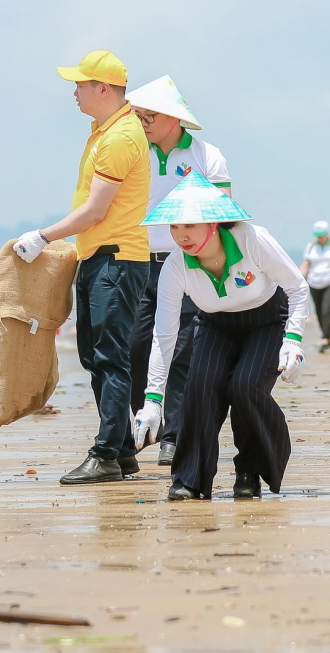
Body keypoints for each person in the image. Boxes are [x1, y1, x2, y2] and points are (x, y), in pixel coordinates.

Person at [14, 51, 152, 486]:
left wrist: (44, 236)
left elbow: (95, 210)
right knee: (94, 356)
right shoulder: (102, 132)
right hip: (99, 257)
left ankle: (107, 453)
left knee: (110, 358)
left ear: (103, 89)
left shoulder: (120, 137)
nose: (74, 92)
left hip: (117, 258)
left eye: (80, 84)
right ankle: (124, 451)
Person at [132, 175, 309, 500]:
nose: (181, 235)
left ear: (214, 223)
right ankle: (189, 480)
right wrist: (152, 401)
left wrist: (294, 339)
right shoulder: (175, 267)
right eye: (174, 227)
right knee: (199, 387)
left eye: (190, 226)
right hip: (215, 325)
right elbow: (164, 334)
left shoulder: (253, 240)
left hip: (266, 322)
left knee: (245, 387)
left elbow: (297, 287)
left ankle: (249, 473)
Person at [122, 74, 231, 467]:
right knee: (135, 348)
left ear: (173, 118)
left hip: (188, 266)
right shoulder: (134, 154)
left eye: (147, 117)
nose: (141, 124)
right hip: (137, 264)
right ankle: (144, 422)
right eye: (137, 116)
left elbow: (223, 214)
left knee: (183, 352)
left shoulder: (207, 156)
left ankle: (175, 434)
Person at [300, 221, 330, 352]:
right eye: (317, 235)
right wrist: (298, 279)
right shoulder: (311, 247)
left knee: (327, 309)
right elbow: (305, 265)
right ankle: (326, 336)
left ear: (327, 233)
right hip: (314, 282)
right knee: (319, 311)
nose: (319, 237)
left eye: (322, 235)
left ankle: (325, 339)